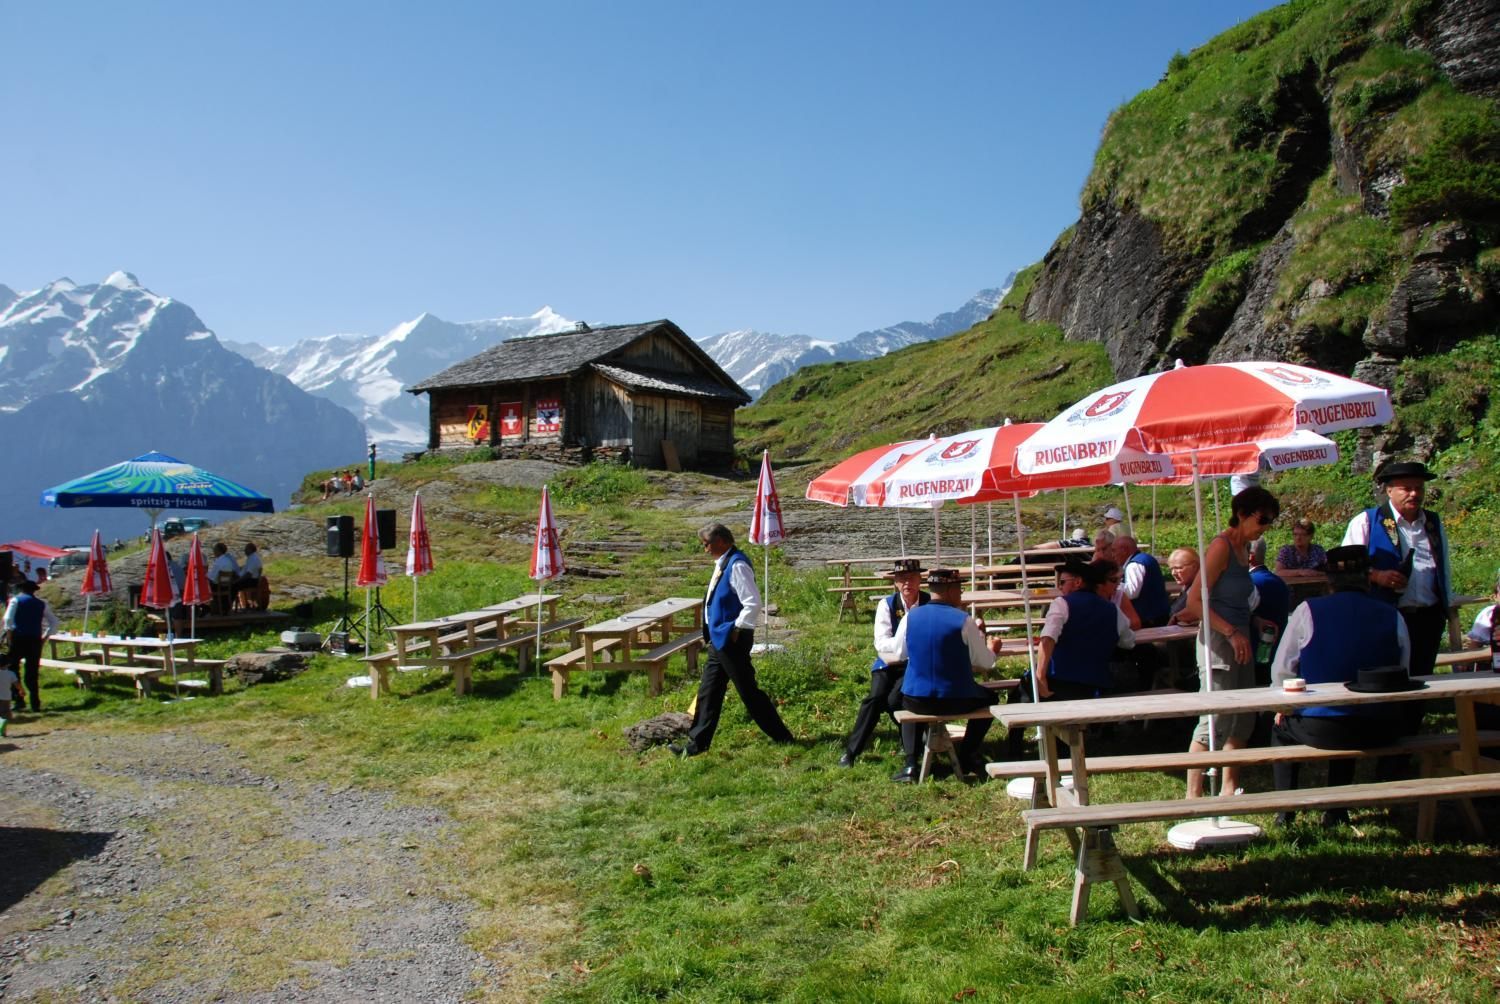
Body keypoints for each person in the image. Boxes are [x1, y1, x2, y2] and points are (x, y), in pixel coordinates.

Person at [1269, 545, 1412, 826]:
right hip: (1381, 727)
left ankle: (1285, 812)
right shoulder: (1392, 615)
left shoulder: (1307, 611)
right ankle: (1336, 810)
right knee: (1351, 711)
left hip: (1322, 728)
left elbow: (1282, 669)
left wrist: (1283, 707)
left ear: (1329, 580)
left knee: (1281, 727)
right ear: (1367, 577)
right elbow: (1404, 668)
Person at [1181, 485, 1280, 799]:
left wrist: (1253, 621)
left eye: (1270, 522)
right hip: (1218, 642)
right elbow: (1194, 602)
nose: (1265, 527)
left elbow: (1233, 599)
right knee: (1214, 719)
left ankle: (1228, 787)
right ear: (1242, 513)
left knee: (1243, 717)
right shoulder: (1221, 547)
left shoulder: (1243, 551)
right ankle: (1193, 796)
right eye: (1262, 519)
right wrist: (1232, 631)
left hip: (1239, 640)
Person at [671, 524, 794, 757]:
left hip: (731, 638)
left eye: (707, 544)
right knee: (709, 690)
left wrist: (736, 628)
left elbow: (752, 602)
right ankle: (697, 744)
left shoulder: (737, 564)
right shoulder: (724, 563)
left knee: (748, 691)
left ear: (722, 541)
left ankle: (782, 736)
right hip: (720, 639)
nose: (705, 549)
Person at [887, 568, 1002, 783]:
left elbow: (900, 653)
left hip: (916, 700)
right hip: (955, 699)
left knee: (903, 696)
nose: (961, 594)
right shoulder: (963, 620)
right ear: (950, 590)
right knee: (992, 698)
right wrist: (992, 648)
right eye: (960, 589)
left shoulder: (910, 617)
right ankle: (967, 753)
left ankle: (911, 762)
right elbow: (984, 662)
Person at [1341, 460, 1450, 677]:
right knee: (1388, 676)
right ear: (1389, 490)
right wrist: (1377, 575)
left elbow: (1443, 567)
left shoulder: (1432, 523)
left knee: (1423, 676)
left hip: (1428, 616)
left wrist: (1445, 606)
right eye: (1406, 488)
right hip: (1385, 615)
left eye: (1419, 488)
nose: (1414, 494)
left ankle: (1417, 711)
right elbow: (1345, 568)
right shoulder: (1368, 521)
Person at [839, 558, 929, 767]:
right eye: (902, 579)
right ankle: (851, 752)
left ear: (919, 580)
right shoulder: (887, 604)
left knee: (895, 701)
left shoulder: (928, 602)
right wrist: (903, 646)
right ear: (896, 582)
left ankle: (912, 746)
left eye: (912, 578)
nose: (907, 583)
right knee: (875, 699)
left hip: (915, 664)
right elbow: (881, 642)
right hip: (887, 663)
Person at [3, 579, 59, 712]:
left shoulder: (16, 601)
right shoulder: (41, 603)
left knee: (13, 669)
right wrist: (45, 636)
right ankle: (35, 702)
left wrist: (9, 636)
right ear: (34, 590)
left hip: (18, 638)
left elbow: (8, 619)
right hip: (34, 640)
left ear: (21, 589)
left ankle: (18, 699)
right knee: (32, 672)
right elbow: (54, 622)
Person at [1248, 537, 1290, 688]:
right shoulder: (1278, 580)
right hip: (1277, 650)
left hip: (1255, 654)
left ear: (1250, 555)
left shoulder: (1250, 583)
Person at [1112, 535, 1170, 628]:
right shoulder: (1145, 558)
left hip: (1149, 620)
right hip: (1158, 614)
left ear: (1124, 550)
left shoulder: (1134, 565)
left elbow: (1131, 592)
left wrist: (1111, 585)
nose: (1113, 555)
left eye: (1114, 550)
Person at [1463, 567, 1500, 670]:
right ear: (1496, 596)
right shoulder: (1489, 613)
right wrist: (1465, 663)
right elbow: (1475, 642)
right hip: (1492, 662)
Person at [1166, 548, 1200, 622]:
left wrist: (1176, 617)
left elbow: (1197, 610)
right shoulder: (1188, 585)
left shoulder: (1202, 588)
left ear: (1194, 567)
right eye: (1171, 569)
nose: (1173, 573)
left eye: (1178, 568)